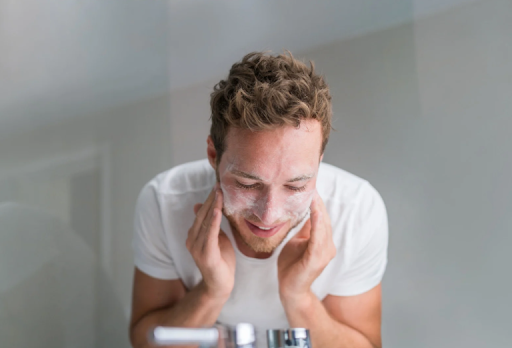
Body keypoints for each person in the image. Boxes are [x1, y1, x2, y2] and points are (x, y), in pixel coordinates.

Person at [129, 51, 388, 348]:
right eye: (247, 184)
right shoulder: (165, 202)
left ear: (319, 161)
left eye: (295, 186)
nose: (269, 215)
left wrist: (299, 298)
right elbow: (145, 343)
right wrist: (211, 291)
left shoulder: (357, 211)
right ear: (213, 156)